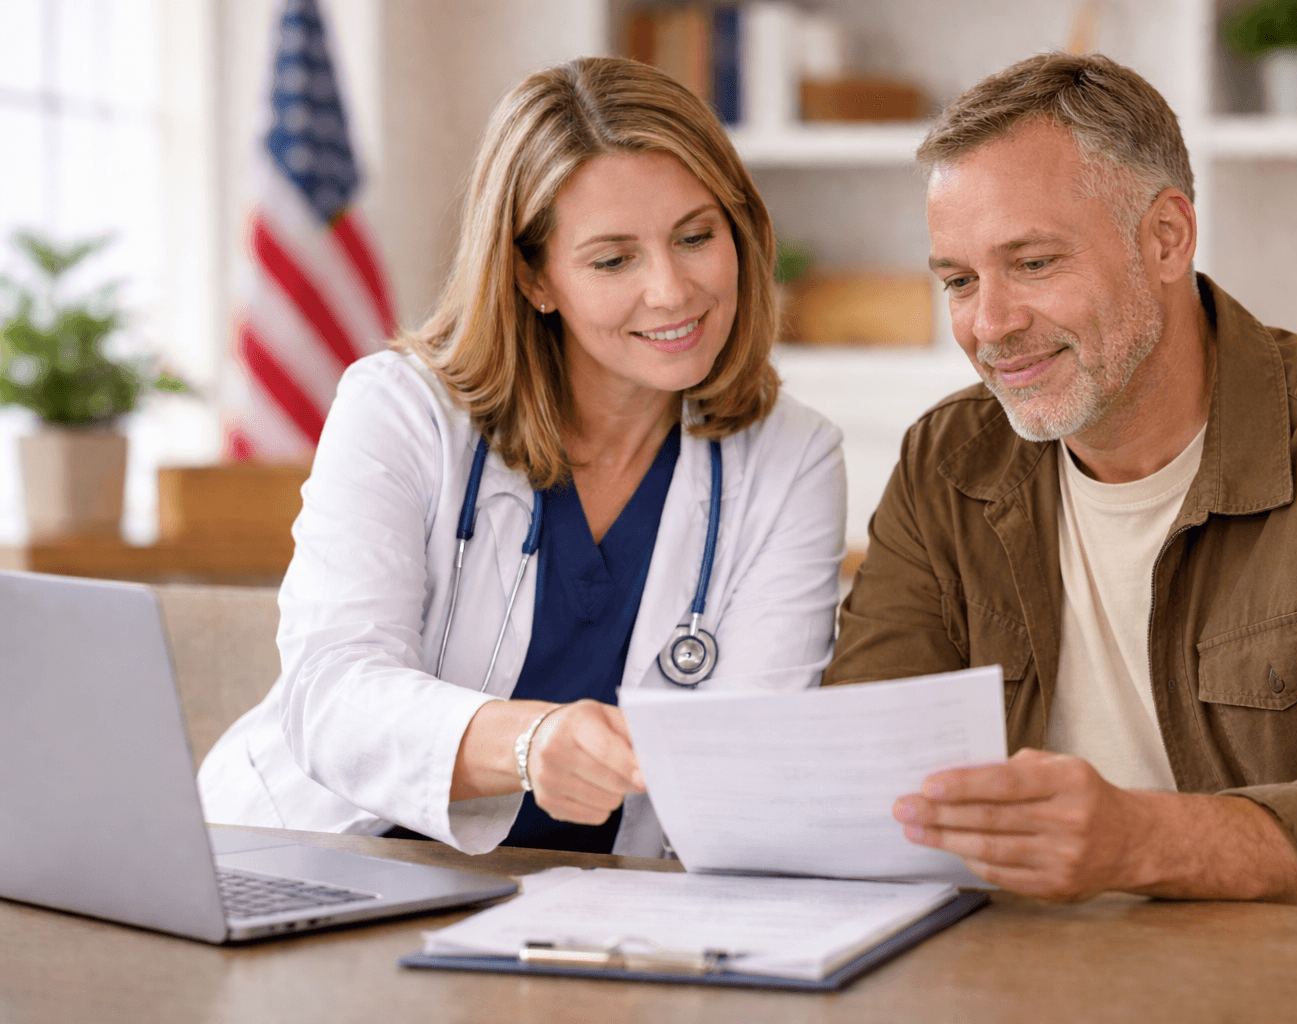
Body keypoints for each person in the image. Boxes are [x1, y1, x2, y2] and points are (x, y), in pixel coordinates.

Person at [825, 52, 1297, 918]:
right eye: (960, 281)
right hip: (1023, 975)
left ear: (1166, 237)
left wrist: (1140, 841)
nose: (990, 325)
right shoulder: (947, 461)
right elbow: (859, 770)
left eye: (1036, 263)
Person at [198, 57, 846, 856]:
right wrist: (526, 744)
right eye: (614, 260)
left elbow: (750, 758)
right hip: (329, 853)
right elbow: (331, 695)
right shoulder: (400, 410)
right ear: (534, 276)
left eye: (696, 237)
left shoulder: (794, 457)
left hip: (594, 909)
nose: (673, 291)